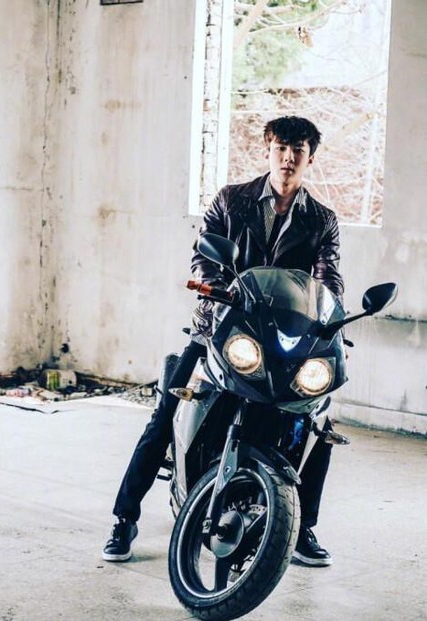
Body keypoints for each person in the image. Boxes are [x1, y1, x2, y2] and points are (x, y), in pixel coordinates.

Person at [102, 116, 344, 567]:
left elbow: (328, 277)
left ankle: (301, 527)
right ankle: (124, 518)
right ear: (268, 150)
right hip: (219, 329)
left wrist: (333, 320)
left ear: (311, 158)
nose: (288, 158)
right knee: (165, 416)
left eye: (299, 150)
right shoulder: (232, 200)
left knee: (318, 421)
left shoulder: (321, 220)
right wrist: (218, 294)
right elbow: (204, 255)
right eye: (281, 148)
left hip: (281, 341)